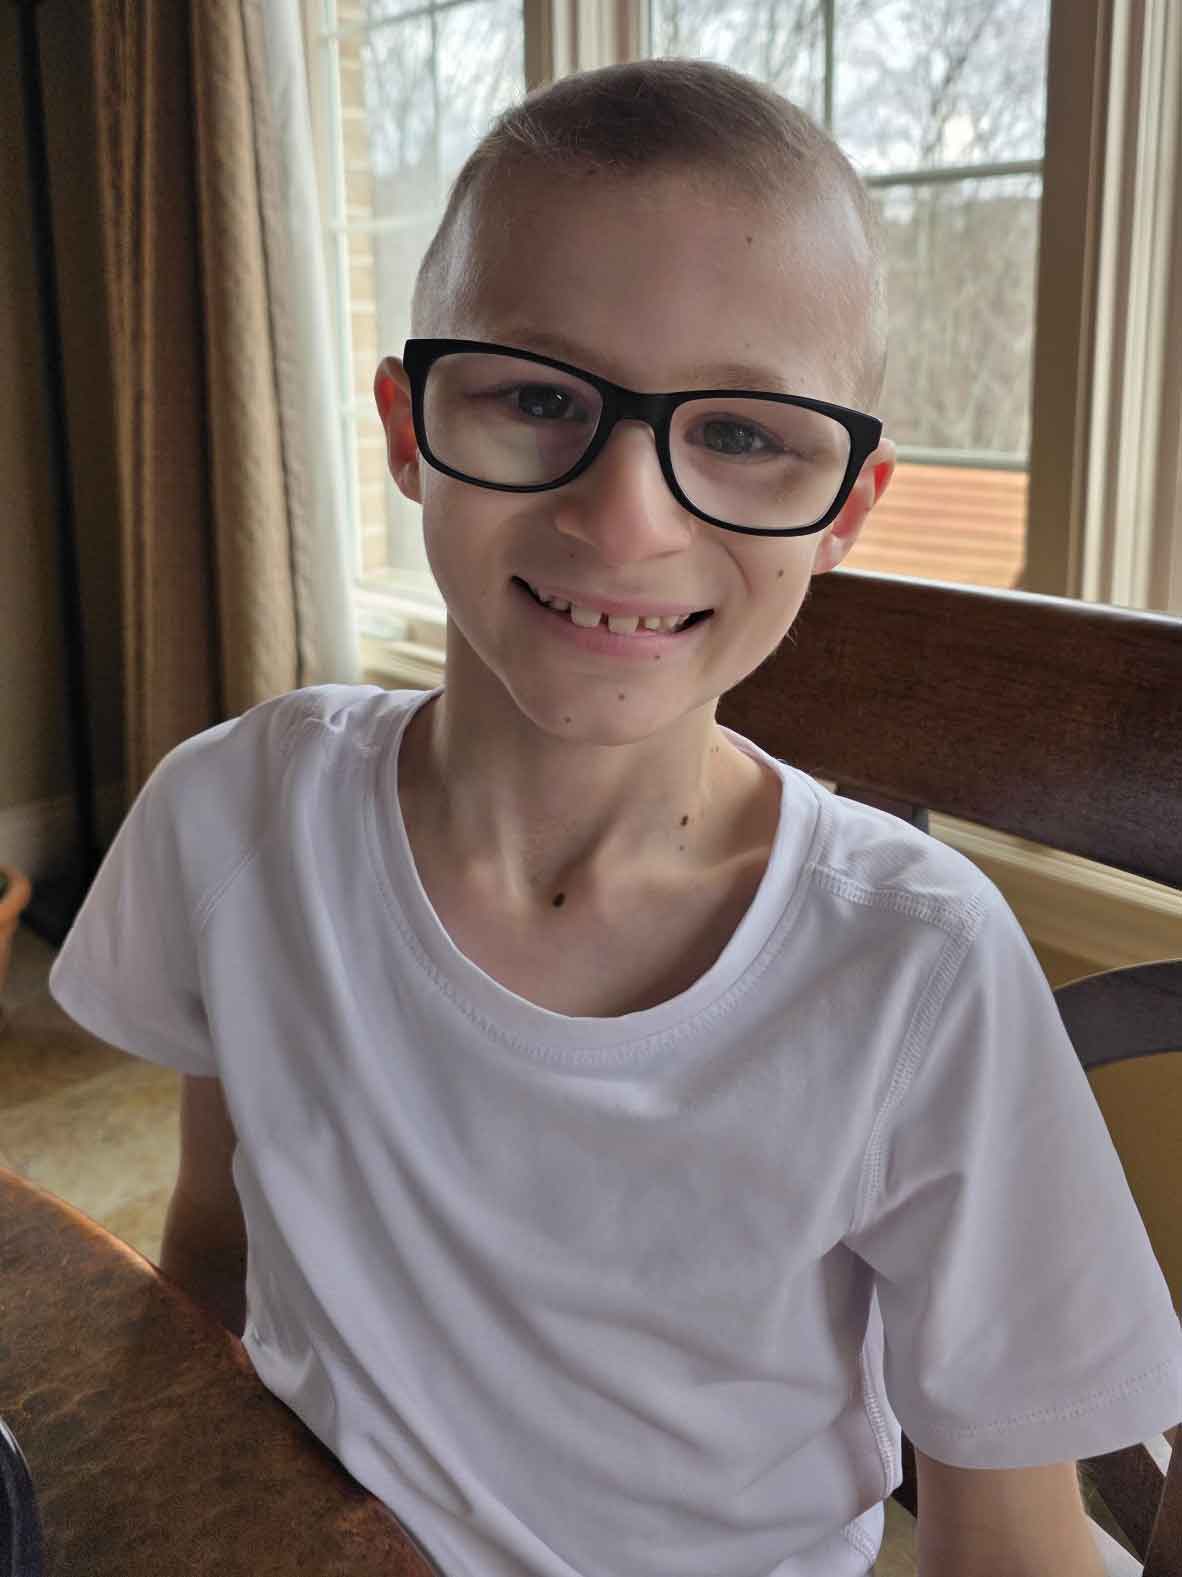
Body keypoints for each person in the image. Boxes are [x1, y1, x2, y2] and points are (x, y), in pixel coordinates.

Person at [50, 57, 1179, 1577]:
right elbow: (212, 1244)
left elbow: (1007, 1543)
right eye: (534, 396)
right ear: (406, 422)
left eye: (741, 435)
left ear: (846, 505)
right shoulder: (237, 813)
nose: (625, 516)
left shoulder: (915, 971)